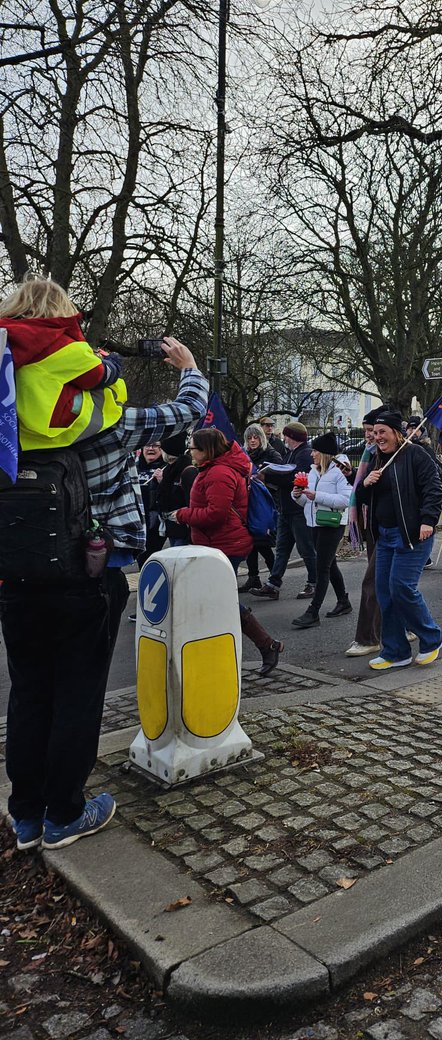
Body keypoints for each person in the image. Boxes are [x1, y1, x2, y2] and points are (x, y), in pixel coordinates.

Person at [2, 320, 206, 853]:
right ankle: (65, 812)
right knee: (76, 692)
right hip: (91, 572)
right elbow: (185, 413)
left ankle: (25, 814)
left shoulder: (4, 422)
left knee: (28, 692)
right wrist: (188, 370)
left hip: (18, 575)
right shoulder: (105, 421)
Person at [172, 428, 283, 674]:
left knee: (220, 601)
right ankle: (250, 648)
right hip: (218, 544)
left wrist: (182, 515)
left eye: (193, 447)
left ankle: (265, 645)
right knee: (216, 600)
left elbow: (216, 514)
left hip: (224, 545)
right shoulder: (214, 469)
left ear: (206, 450)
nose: (190, 452)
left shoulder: (219, 473)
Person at [359, 410, 442, 669]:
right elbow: (366, 500)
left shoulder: (415, 454)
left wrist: (428, 520)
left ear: (397, 433)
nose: (377, 437)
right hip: (384, 535)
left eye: (382, 432)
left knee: (401, 588)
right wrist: (366, 484)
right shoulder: (376, 459)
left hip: (412, 534)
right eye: (374, 433)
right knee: (384, 592)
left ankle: (432, 636)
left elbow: (434, 489)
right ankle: (396, 651)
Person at [0, 277, 126, 450]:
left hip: (10, 437)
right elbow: (99, 376)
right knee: (106, 393)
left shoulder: (4, 339)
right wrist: (113, 361)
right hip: (46, 435)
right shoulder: (60, 345)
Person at [292, 432, 353, 630]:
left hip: (332, 523)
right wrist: (297, 495)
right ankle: (343, 601)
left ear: (325, 453)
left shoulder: (338, 473)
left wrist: (316, 495)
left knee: (322, 567)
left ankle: (313, 611)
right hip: (314, 523)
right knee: (330, 563)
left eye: (315, 451)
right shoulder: (312, 471)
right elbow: (305, 502)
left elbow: (345, 500)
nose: (311, 454)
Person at [249, 421, 316, 601]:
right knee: (282, 549)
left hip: (298, 510)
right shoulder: (292, 453)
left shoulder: (304, 455)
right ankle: (273, 584)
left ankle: (313, 583)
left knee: (305, 548)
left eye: (286, 435)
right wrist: (267, 477)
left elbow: (296, 480)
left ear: (292, 437)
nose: (283, 438)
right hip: (286, 509)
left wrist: (268, 476)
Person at [344, 409, 383, 658]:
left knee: (373, 582)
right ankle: (406, 625)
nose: (370, 436)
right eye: (369, 431)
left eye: (376, 431)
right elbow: (362, 491)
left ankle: (369, 638)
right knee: (389, 583)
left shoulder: (400, 455)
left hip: (391, 529)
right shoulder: (370, 454)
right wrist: (358, 481)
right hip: (373, 523)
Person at [239, 423, 276, 592]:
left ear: (261, 438)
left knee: (262, 543)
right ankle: (253, 577)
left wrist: (264, 479)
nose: (252, 441)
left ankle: (275, 578)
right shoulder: (243, 455)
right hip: (247, 503)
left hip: (264, 504)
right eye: (249, 438)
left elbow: (281, 475)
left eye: (255, 437)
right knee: (250, 543)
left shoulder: (271, 454)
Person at [134, 441, 167, 568]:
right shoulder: (134, 467)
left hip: (154, 522)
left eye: (155, 445)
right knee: (140, 557)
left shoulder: (165, 468)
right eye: (147, 445)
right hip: (136, 520)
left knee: (151, 556)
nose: (151, 449)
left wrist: (162, 482)